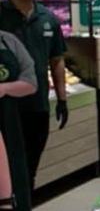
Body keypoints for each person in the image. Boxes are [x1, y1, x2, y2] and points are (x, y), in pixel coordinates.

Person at [0, 0, 68, 195]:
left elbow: (57, 60)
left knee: (29, 168)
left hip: (37, 105)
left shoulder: (48, 19)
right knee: (7, 170)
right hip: (5, 107)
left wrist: (62, 99)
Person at [0, 30, 38, 210]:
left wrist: (4, 88)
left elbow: (31, 83)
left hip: (9, 122)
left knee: (15, 173)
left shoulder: (8, 41)